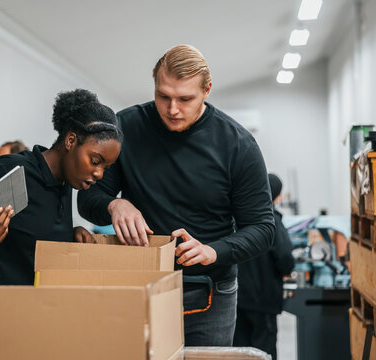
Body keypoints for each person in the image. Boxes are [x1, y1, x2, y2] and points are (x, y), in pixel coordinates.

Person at [77, 45, 275, 346]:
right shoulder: (125, 127)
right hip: (139, 285)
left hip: (211, 294)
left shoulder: (238, 145)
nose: (172, 109)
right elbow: (88, 199)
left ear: (207, 90)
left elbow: (262, 229)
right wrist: (114, 203)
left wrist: (214, 250)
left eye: (185, 99)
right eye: (163, 96)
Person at [0, 89, 122, 359]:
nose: (99, 174)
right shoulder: (14, 172)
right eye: (95, 161)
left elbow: (26, 233)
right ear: (70, 140)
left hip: (12, 334)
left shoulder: (64, 186)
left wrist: (69, 234)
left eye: (106, 167)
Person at [234, 173, 294, 359]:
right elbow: (285, 258)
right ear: (276, 195)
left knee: (239, 352)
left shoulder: (238, 216)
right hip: (263, 300)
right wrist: (287, 270)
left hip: (237, 298)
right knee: (263, 352)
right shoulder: (271, 220)